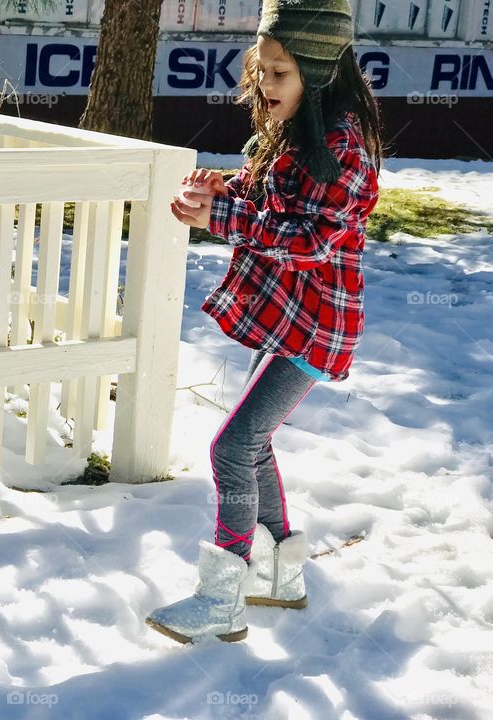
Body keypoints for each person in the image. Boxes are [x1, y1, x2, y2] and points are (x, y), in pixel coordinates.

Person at [147, 0, 381, 644]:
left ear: (318, 71)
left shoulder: (344, 146)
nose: (264, 86)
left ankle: (223, 596)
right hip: (287, 318)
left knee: (233, 447)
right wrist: (221, 189)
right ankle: (281, 577)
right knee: (255, 442)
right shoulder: (295, 129)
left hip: (316, 327)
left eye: (279, 73)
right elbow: (266, 190)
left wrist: (218, 221)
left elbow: (311, 239)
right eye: (261, 71)